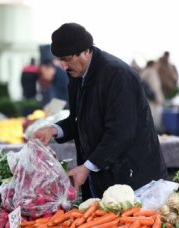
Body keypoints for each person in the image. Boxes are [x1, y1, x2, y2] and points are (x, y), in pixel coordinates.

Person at [31, 23, 167, 200]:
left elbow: (121, 132)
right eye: (59, 60)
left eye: (67, 59)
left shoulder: (118, 76)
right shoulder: (76, 74)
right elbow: (79, 119)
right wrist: (53, 129)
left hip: (135, 177)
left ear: (86, 51)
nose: (63, 67)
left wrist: (87, 167)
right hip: (103, 176)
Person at [140, 60, 164, 130]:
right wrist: (158, 99)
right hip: (152, 101)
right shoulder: (151, 72)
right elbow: (155, 87)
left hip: (146, 99)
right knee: (153, 121)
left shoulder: (144, 72)